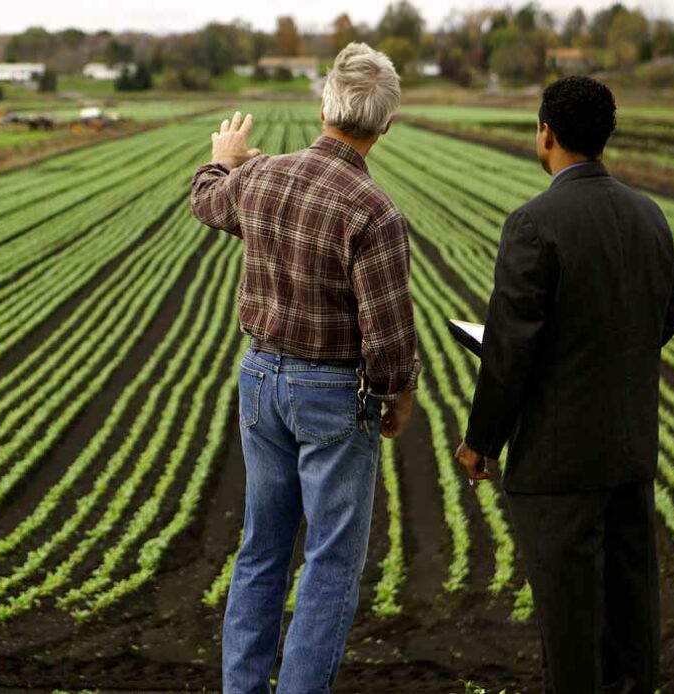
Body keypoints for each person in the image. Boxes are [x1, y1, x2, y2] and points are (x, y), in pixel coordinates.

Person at [190, 42, 421, 693]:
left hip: (259, 381)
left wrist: (222, 163)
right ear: (387, 123)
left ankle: (243, 687)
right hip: (331, 395)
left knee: (262, 547)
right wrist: (398, 393)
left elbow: (208, 202)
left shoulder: (263, 179)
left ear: (324, 105)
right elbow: (388, 332)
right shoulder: (376, 213)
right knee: (329, 561)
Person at [456, 76, 674, 693]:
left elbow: (510, 353)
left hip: (558, 466)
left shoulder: (534, 223)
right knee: (631, 632)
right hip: (631, 452)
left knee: (570, 632)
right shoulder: (649, 214)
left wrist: (481, 444)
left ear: (545, 133)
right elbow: (665, 318)